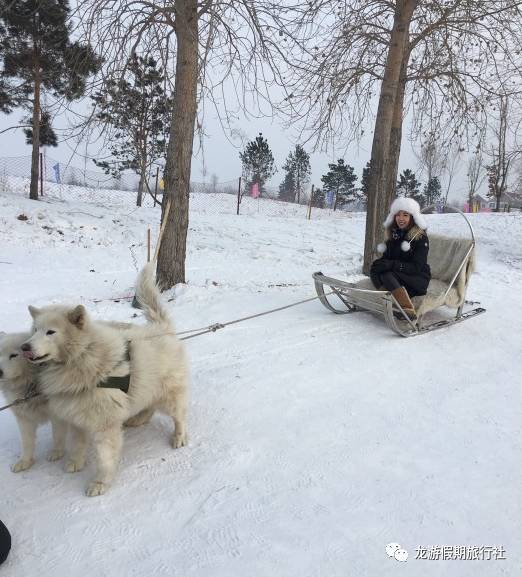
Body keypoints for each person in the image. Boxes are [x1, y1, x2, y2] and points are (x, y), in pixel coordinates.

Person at [370, 197, 431, 319]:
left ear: (412, 217)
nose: (401, 218)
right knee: (375, 269)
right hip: (398, 277)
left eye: (405, 215)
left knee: (387, 274)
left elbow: (417, 267)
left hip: (417, 279)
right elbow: (387, 258)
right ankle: (388, 298)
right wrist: (380, 263)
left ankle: (407, 310)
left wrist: (392, 265)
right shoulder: (395, 235)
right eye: (398, 215)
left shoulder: (420, 238)